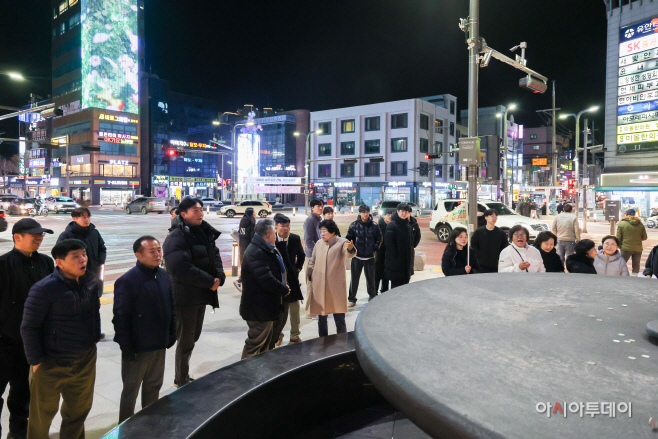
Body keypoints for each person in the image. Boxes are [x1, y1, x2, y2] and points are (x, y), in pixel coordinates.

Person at [21, 239, 100, 439]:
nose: (83, 260)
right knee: (41, 416)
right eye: (75, 257)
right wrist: (36, 362)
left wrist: (93, 339)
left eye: (84, 254)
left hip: (85, 359)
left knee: (78, 410)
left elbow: (95, 312)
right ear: (59, 262)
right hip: (51, 361)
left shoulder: (91, 281)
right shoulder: (44, 289)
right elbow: (29, 327)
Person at [113, 236, 176, 423]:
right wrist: (127, 347)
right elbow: (120, 318)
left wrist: (172, 332)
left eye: (159, 250)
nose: (158, 254)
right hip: (137, 348)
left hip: (159, 344)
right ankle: (125, 427)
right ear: (138, 255)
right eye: (152, 251)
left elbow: (171, 306)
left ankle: (149, 423)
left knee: (154, 386)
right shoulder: (128, 280)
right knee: (130, 391)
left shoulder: (164, 275)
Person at [0, 219, 54, 439]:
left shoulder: (46, 263)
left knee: (22, 394)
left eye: (41, 234)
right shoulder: (2, 265)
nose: (39, 238)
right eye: (34, 234)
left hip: (30, 344)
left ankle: (17, 434)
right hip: (4, 342)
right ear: (17, 237)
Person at [163, 197, 225, 388]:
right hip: (185, 296)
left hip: (201, 294)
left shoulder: (203, 232)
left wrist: (219, 277)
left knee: (193, 336)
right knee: (186, 340)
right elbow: (179, 268)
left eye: (200, 210)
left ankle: (183, 376)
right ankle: (180, 380)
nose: (200, 214)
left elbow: (215, 255)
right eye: (195, 211)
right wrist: (209, 281)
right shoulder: (176, 237)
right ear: (183, 214)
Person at [239, 219, 290, 359]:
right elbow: (266, 279)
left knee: (265, 345)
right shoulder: (256, 251)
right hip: (258, 308)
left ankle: (259, 375)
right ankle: (243, 376)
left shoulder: (264, 247)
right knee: (255, 344)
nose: (276, 236)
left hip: (264, 306)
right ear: (268, 235)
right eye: (274, 233)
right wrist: (283, 289)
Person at [57, 207, 107, 338]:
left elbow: (102, 247)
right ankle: (78, 332)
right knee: (78, 304)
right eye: (83, 217)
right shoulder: (67, 235)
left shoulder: (94, 232)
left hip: (94, 273)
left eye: (88, 216)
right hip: (76, 277)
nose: (87, 220)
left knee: (95, 303)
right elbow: (59, 255)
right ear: (74, 218)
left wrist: (100, 261)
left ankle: (95, 331)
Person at [306, 219, 356, 336]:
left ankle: (342, 342)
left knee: (339, 318)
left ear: (332, 231)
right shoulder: (319, 244)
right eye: (321, 231)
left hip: (335, 287)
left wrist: (350, 248)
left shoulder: (342, 242)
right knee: (321, 319)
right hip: (320, 286)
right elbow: (312, 261)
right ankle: (323, 341)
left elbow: (349, 254)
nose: (322, 234)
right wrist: (311, 275)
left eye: (325, 231)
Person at [271, 213, 305, 347]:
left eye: (288, 226)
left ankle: (295, 335)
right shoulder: (272, 240)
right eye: (283, 226)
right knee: (279, 309)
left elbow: (301, 255)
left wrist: (298, 268)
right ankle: (278, 336)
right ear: (276, 227)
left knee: (294, 308)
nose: (286, 229)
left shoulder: (295, 239)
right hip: (278, 280)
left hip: (292, 279)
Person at [346, 205, 381, 306]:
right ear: (359, 213)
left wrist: (374, 248)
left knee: (371, 279)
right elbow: (349, 239)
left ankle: (372, 297)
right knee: (354, 279)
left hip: (370, 257)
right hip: (357, 257)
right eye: (363, 212)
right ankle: (352, 299)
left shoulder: (374, 226)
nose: (365, 214)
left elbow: (379, 238)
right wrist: (352, 249)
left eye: (367, 212)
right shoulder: (353, 225)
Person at [384, 204, 420, 287]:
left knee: (405, 286)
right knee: (396, 287)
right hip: (396, 263)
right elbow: (389, 243)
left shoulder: (408, 225)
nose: (403, 213)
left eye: (405, 212)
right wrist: (396, 256)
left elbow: (413, 239)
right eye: (402, 211)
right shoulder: (392, 225)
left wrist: (411, 248)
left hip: (406, 262)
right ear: (398, 212)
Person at [616, 208, 647, 275]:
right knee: (636, 266)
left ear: (626, 214)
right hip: (638, 249)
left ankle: (620, 278)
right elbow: (645, 237)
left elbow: (618, 238)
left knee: (621, 264)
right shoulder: (640, 224)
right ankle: (634, 278)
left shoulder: (622, 223)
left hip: (625, 248)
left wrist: (620, 246)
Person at [234, 208, 256, 292]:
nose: (255, 213)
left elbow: (240, 232)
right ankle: (239, 281)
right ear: (251, 213)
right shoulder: (252, 221)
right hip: (249, 247)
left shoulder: (242, 220)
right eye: (254, 212)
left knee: (246, 266)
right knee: (249, 267)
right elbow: (252, 236)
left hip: (242, 246)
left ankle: (243, 283)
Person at [375, 209, 393, 294]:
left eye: (390, 214)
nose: (390, 216)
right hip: (379, 253)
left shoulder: (393, 226)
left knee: (387, 274)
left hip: (389, 254)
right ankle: (373, 293)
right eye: (388, 215)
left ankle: (384, 292)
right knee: (377, 274)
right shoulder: (378, 226)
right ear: (383, 216)